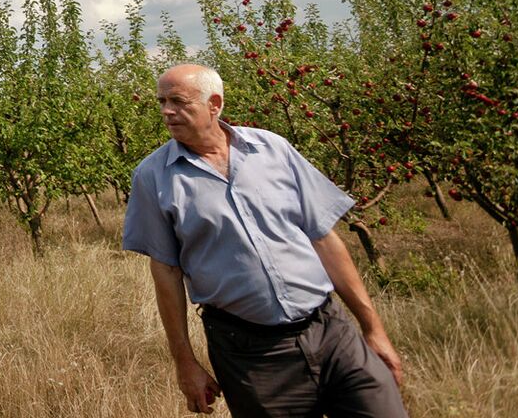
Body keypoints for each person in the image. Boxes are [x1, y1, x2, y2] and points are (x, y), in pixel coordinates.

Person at [122, 63, 408, 417]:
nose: (166, 111)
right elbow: (165, 272)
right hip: (251, 355)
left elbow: (323, 238)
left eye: (178, 101)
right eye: (162, 101)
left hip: (331, 332)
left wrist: (373, 328)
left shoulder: (273, 149)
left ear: (214, 104)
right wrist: (185, 363)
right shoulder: (153, 176)